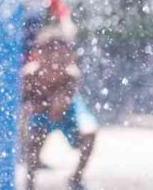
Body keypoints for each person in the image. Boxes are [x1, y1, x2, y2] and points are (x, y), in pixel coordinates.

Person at [22, 27, 97, 190]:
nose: (54, 63)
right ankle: (30, 182)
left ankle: (76, 176)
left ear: (70, 58)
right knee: (34, 139)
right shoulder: (29, 75)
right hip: (41, 112)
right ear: (37, 55)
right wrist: (32, 109)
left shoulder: (71, 76)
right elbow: (25, 104)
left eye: (61, 58)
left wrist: (53, 104)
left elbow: (61, 107)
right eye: (49, 56)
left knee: (89, 133)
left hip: (68, 112)